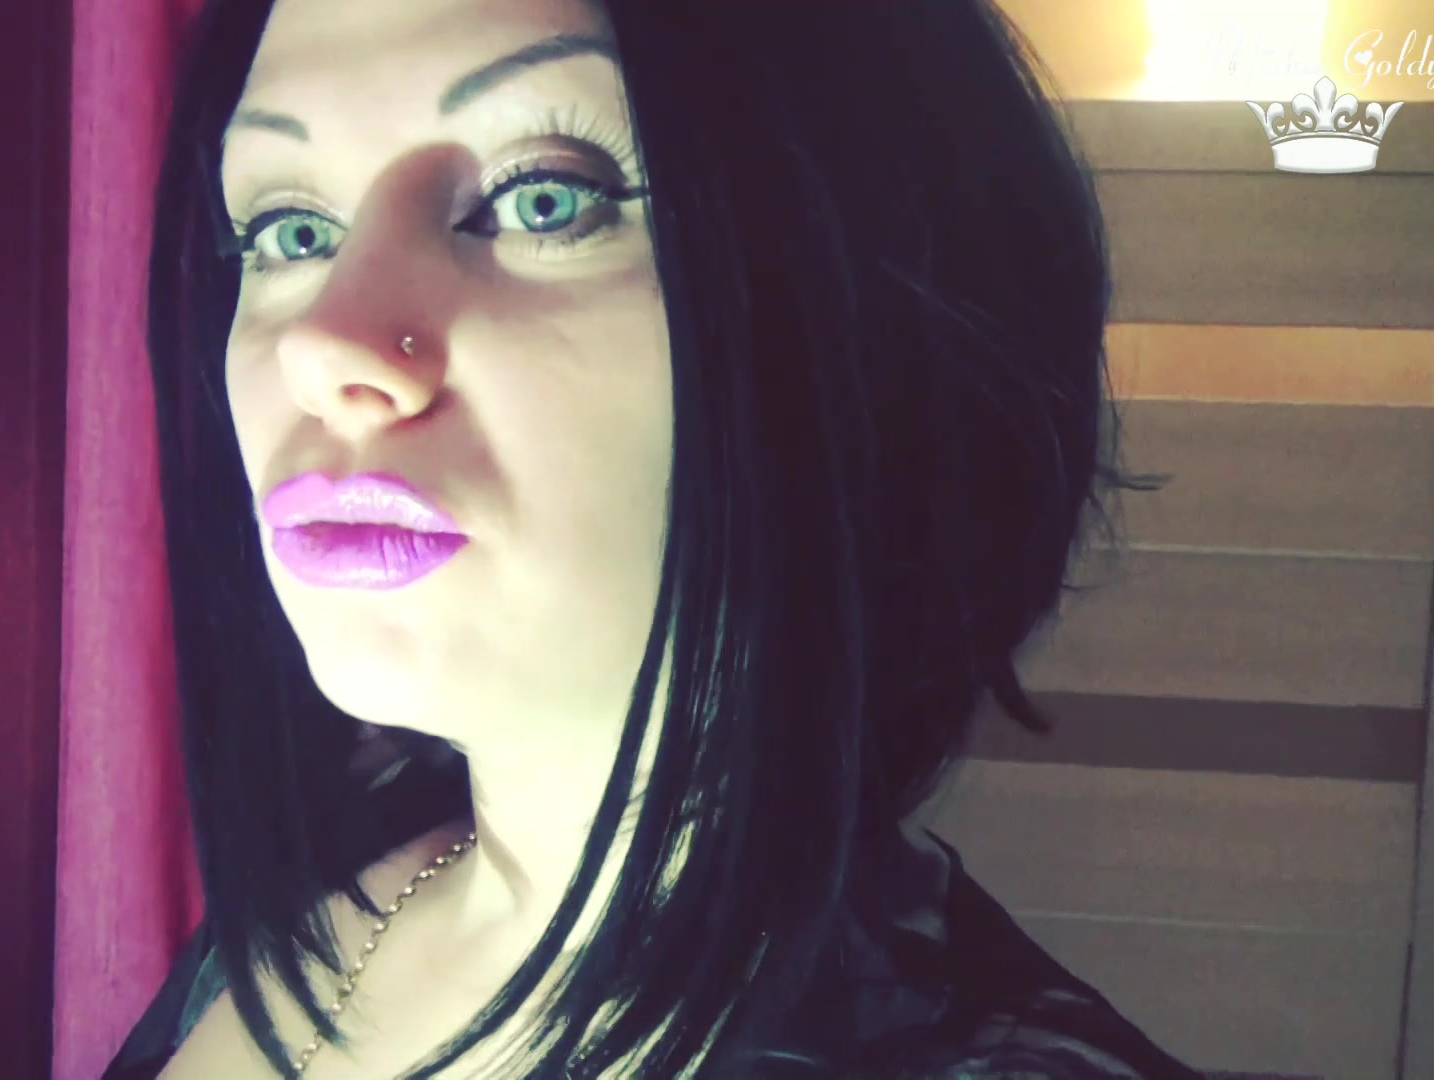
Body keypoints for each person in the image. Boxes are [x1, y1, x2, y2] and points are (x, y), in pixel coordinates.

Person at [104, 0, 1206, 1076]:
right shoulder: (324, 896)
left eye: (543, 200)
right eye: (290, 233)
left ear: (865, 312)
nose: (323, 344)